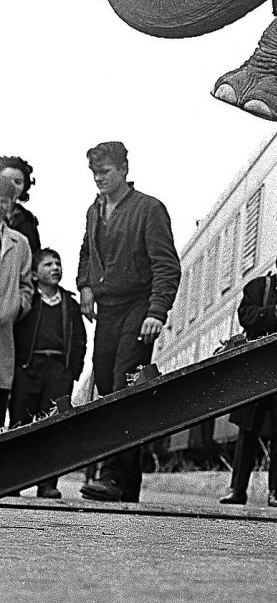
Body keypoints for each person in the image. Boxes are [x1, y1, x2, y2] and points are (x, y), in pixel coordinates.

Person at [77, 141, 181, 503]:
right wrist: (85, 286)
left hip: (138, 306)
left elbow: (166, 265)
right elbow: (87, 251)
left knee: (124, 382)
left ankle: (114, 476)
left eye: (104, 172)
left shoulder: (149, 209)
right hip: (107, 308)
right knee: (106, 380)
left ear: (123, 169)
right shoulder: (95, 211)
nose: (98, 179)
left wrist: (156, 311)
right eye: (94, 173)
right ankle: (128, 484)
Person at [219, 247, 277, 509]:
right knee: (247, 431)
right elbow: (245, 317)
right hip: (257, 369)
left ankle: (275, 492)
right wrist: (275, 313)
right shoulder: (257, 287)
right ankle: (237, 489)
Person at [10, 248, 88, 497]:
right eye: (47, 264)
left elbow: (80, 341)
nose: (55, 268)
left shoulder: (70, 304)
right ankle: (14, 482)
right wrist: (19, 365)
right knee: (20, 425)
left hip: (57, 371)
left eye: (58, 263)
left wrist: (71, 373)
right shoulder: (27, 301)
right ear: (34, 274)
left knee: (52, 427)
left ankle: (47, 484)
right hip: (28, 368)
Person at [0, 174, 34, 421]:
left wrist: (15, 308)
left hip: (3, 335)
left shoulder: (19, 242)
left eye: (4, 201)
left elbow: (26, 285)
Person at [0, 157, 41, 257]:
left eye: (17, 182)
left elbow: (34, 254)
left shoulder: (29, 219)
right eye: (6, 179)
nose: (11, 186)